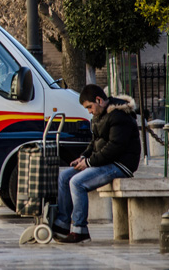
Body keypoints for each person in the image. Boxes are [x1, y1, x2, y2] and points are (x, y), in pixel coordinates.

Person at [54, 84, 140, 243]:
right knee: (64, 176)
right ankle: (62, 225)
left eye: (89, 107)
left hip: (120, 164)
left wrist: (89, 162)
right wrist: (84, 157)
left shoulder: (120, 116)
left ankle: (80, 230)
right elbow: (94, 142)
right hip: (104, 161)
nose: (89, 111)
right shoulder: (99, 115)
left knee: (77, 182)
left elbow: (115, 148)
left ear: (99, 100)